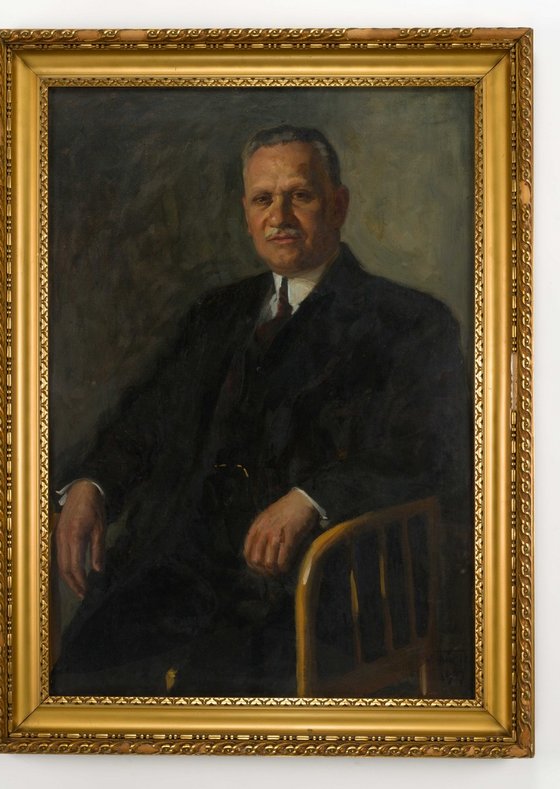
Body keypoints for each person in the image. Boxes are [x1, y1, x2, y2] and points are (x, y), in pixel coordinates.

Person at [51, 125, 472, 697]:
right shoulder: (216, 313)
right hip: (176, 571)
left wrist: (312, 499)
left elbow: (431, 455)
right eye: (263, 199)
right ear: (246, 215)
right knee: (80, 680)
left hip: (310, 583)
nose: (280, 217)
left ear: (338, 205)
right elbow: (143, 421)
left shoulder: (409, 323)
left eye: (300, 195)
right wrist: (91, 485)